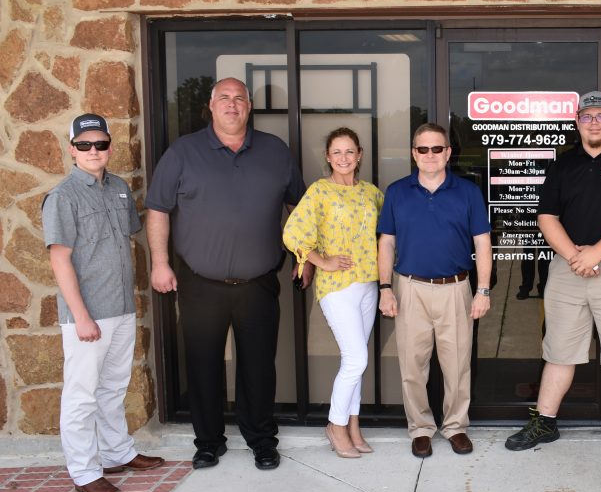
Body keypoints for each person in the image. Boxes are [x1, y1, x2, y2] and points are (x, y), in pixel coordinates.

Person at [146, 77, 305, 471]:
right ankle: (208, 442)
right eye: (224, 99)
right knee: (202, 365)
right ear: (211, 106)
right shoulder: (183, 152)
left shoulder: (275, 151)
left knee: (258, 367)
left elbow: (299, 210)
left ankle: (262, 441)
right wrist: (160, 262)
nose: (232, 105)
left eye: (239, 99)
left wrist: (306, 258)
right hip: (200, 284)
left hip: (258, 283)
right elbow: (158, 209)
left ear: (249, 106)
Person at [505, 91, 601, 466]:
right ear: (577, 122)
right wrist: (576, 256)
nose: (593, 122)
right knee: (558, 350)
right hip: (569, 269)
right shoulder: (563, 165)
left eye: (600, 115)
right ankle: (544, 423)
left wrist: (595, 253)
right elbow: (546, 217)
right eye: (586, 116)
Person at [43, 113, 164, 492]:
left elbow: (124, 239)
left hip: (122, 307)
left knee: (113, 387)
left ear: (110, 146)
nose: (93, 151)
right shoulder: (62, 197)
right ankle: (83, 470)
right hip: (88, 313)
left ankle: (117, 452)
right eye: (84, 144)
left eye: (100, 144)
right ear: (72, 149)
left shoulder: (120, 189)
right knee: (81, 394)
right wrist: (81, 316)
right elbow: (60, 260)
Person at [377, 123, 492, 458]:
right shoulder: (397, 192)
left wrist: (482, 290)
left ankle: (455, 426)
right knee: (413, 365)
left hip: (455, 288)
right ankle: (421, 428)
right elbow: (386, 243)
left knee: (457, 365)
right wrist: (385, 287)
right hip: (410, 287)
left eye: (436, 149)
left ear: (448, 153)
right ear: (414, 153)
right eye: (422, 149)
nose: (430, 155)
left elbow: (483, 244)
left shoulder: (468, 192)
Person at [283, 128, 382, 458]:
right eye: (336, 152)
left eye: (349, 151)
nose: (343, 158)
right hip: (336, 287)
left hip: (369, 284)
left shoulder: (371, 193)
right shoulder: (319, 192)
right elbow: (293, 232)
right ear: (328, 157)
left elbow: (388, 233)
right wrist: (320, 260)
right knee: (357, 359)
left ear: (360, 155)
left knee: (355, 360)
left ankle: (354, 425)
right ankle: (335, 426)